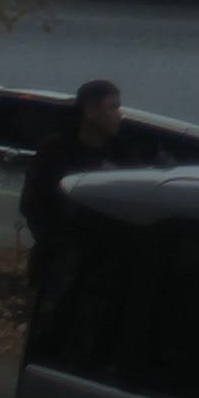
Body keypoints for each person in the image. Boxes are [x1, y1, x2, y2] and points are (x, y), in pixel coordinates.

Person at [20, 80, 129, 298]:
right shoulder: (56, 150)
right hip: (56, 262)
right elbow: (33, 203)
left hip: (106, 267)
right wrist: (57, 244)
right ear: (90, 110)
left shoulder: (123, 152)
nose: (119, 115)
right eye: (113, 107)